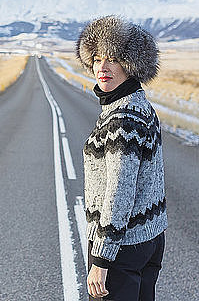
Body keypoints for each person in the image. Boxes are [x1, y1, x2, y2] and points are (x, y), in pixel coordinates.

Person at [76, 16, 168, 301]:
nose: (102, 67)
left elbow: (119, 192)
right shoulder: (140, 105)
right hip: (148, 238)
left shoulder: (122, 119)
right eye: (97, 58)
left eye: (113, 58)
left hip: (121, 247)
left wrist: (101, 261)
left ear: (131, 65)